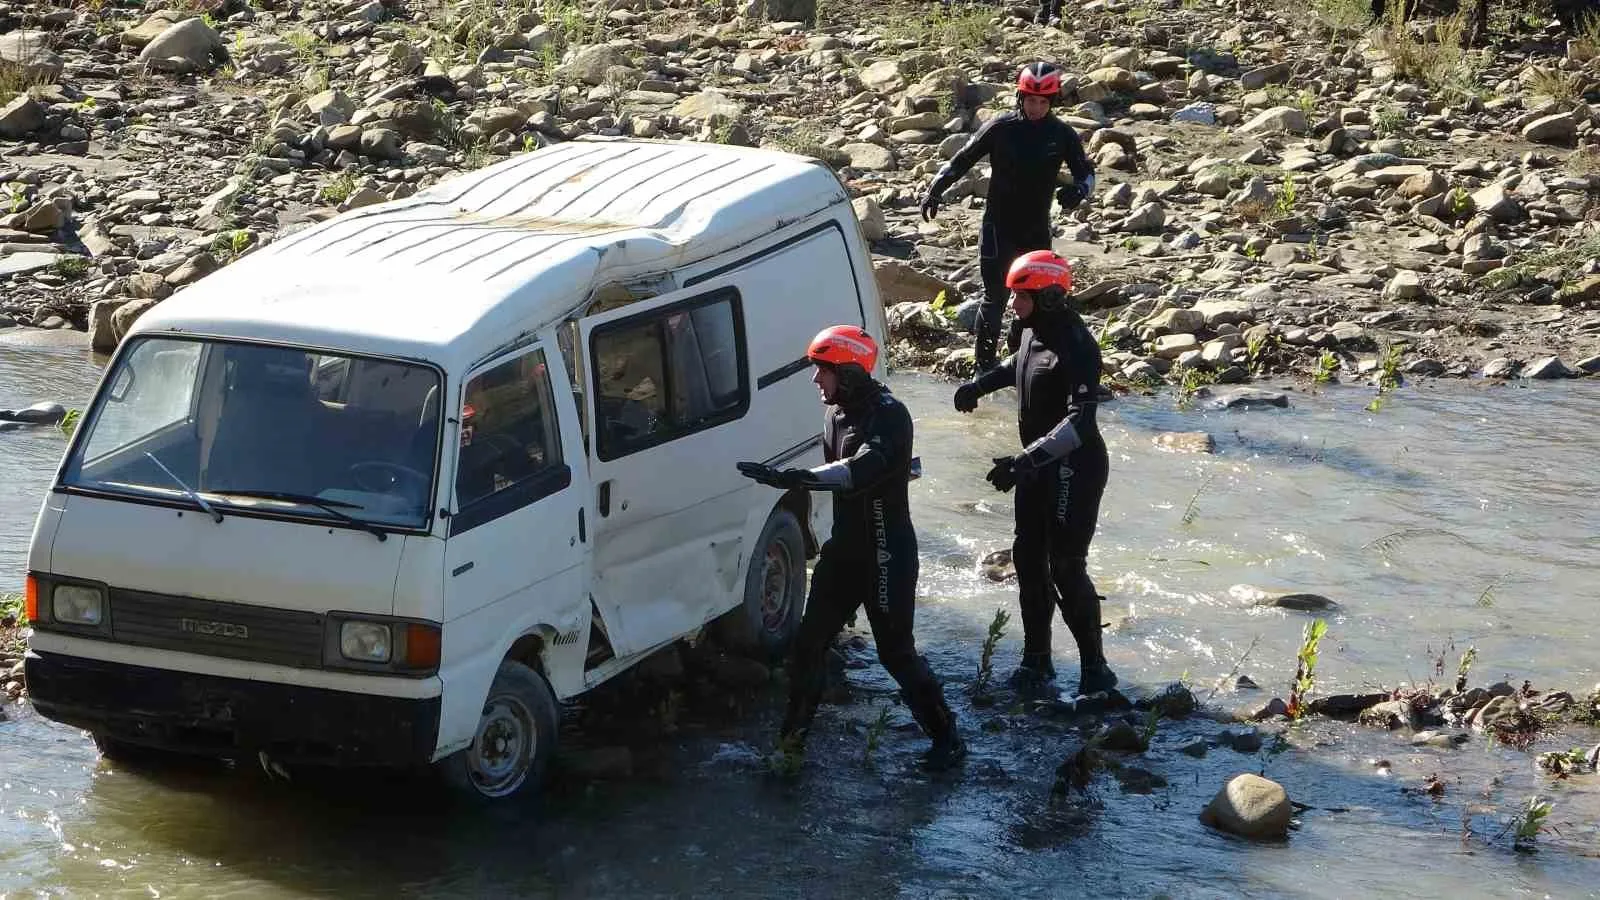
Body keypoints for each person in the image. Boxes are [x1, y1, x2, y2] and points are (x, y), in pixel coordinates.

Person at [737, 325, 966, 770]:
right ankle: (791, 747)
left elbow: (861, 470)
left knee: (895, 653)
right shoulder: (835, 414)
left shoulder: (891, 415)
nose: (815, 381)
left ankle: (948, 740)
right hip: (844, 551)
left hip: (886, 553)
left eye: (823, 371)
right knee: (808, 645)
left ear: (850, 372)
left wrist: (796, 478)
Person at [951, 250, 1118, 697]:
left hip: (1073, 470)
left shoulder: (1078, 345)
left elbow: (1080, 422)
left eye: (1019, 296)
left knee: (1065, 567)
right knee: (1028, 561)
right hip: (1036, 467)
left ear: (1046, 296)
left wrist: (1024, 462)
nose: (1011, 305)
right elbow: (1019, 365)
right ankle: (1037, 662)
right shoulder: (1030, 330)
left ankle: (1096, 673)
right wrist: (979, 385)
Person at [919, 61, 1096, 373]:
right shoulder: (1001, 128)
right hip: (998, 226)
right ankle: (983, 368)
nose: (1036, 107)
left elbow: (1087, 174)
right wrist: (936, 188)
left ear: (1052, 102)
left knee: (1037, 299)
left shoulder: (1062, 134)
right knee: (996, 296)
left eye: (1043, 102)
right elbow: (962, 159)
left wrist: (1079, 191)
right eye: (1031, 100)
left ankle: (1023, 359)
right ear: (1020, 97)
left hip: (1036, 229)